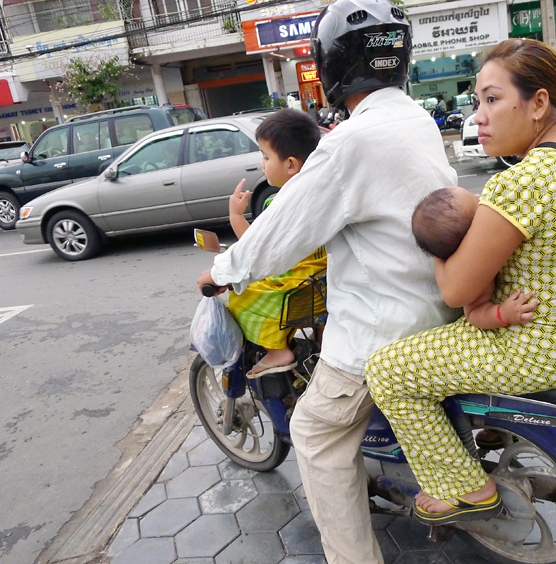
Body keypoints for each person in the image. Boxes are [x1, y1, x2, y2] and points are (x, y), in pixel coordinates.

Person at [365, 38, 556, 525]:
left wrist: (435, 249)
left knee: (389, 370)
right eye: (477, 103)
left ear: (538, 103)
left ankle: (465, 487)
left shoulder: (523, 181)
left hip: (536, 350)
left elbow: (455, 292)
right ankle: (484, 431)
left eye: (492, 99)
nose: (479, 117)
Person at [196, 0, 458, 561]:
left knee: (315, 435)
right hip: (438, 306)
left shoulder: (348, 142)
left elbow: (280, 230)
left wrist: (221, 271)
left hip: (381, 328)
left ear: (332, 64)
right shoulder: (414, 118)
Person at [226, 109, 326, 375]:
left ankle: (277, 351)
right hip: (324, 283)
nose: (262, 163)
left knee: (240, 297)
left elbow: (255, 247)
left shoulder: (278, 204)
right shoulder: (322, 193)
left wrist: (236, 215)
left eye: (266, 157)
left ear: (291, 164)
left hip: (298, 287)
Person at [412, 186, 539, 329]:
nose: (480, 196)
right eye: (477, 201)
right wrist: (502, 314)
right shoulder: (467, 273)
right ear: (469, 239)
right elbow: (474, 313)